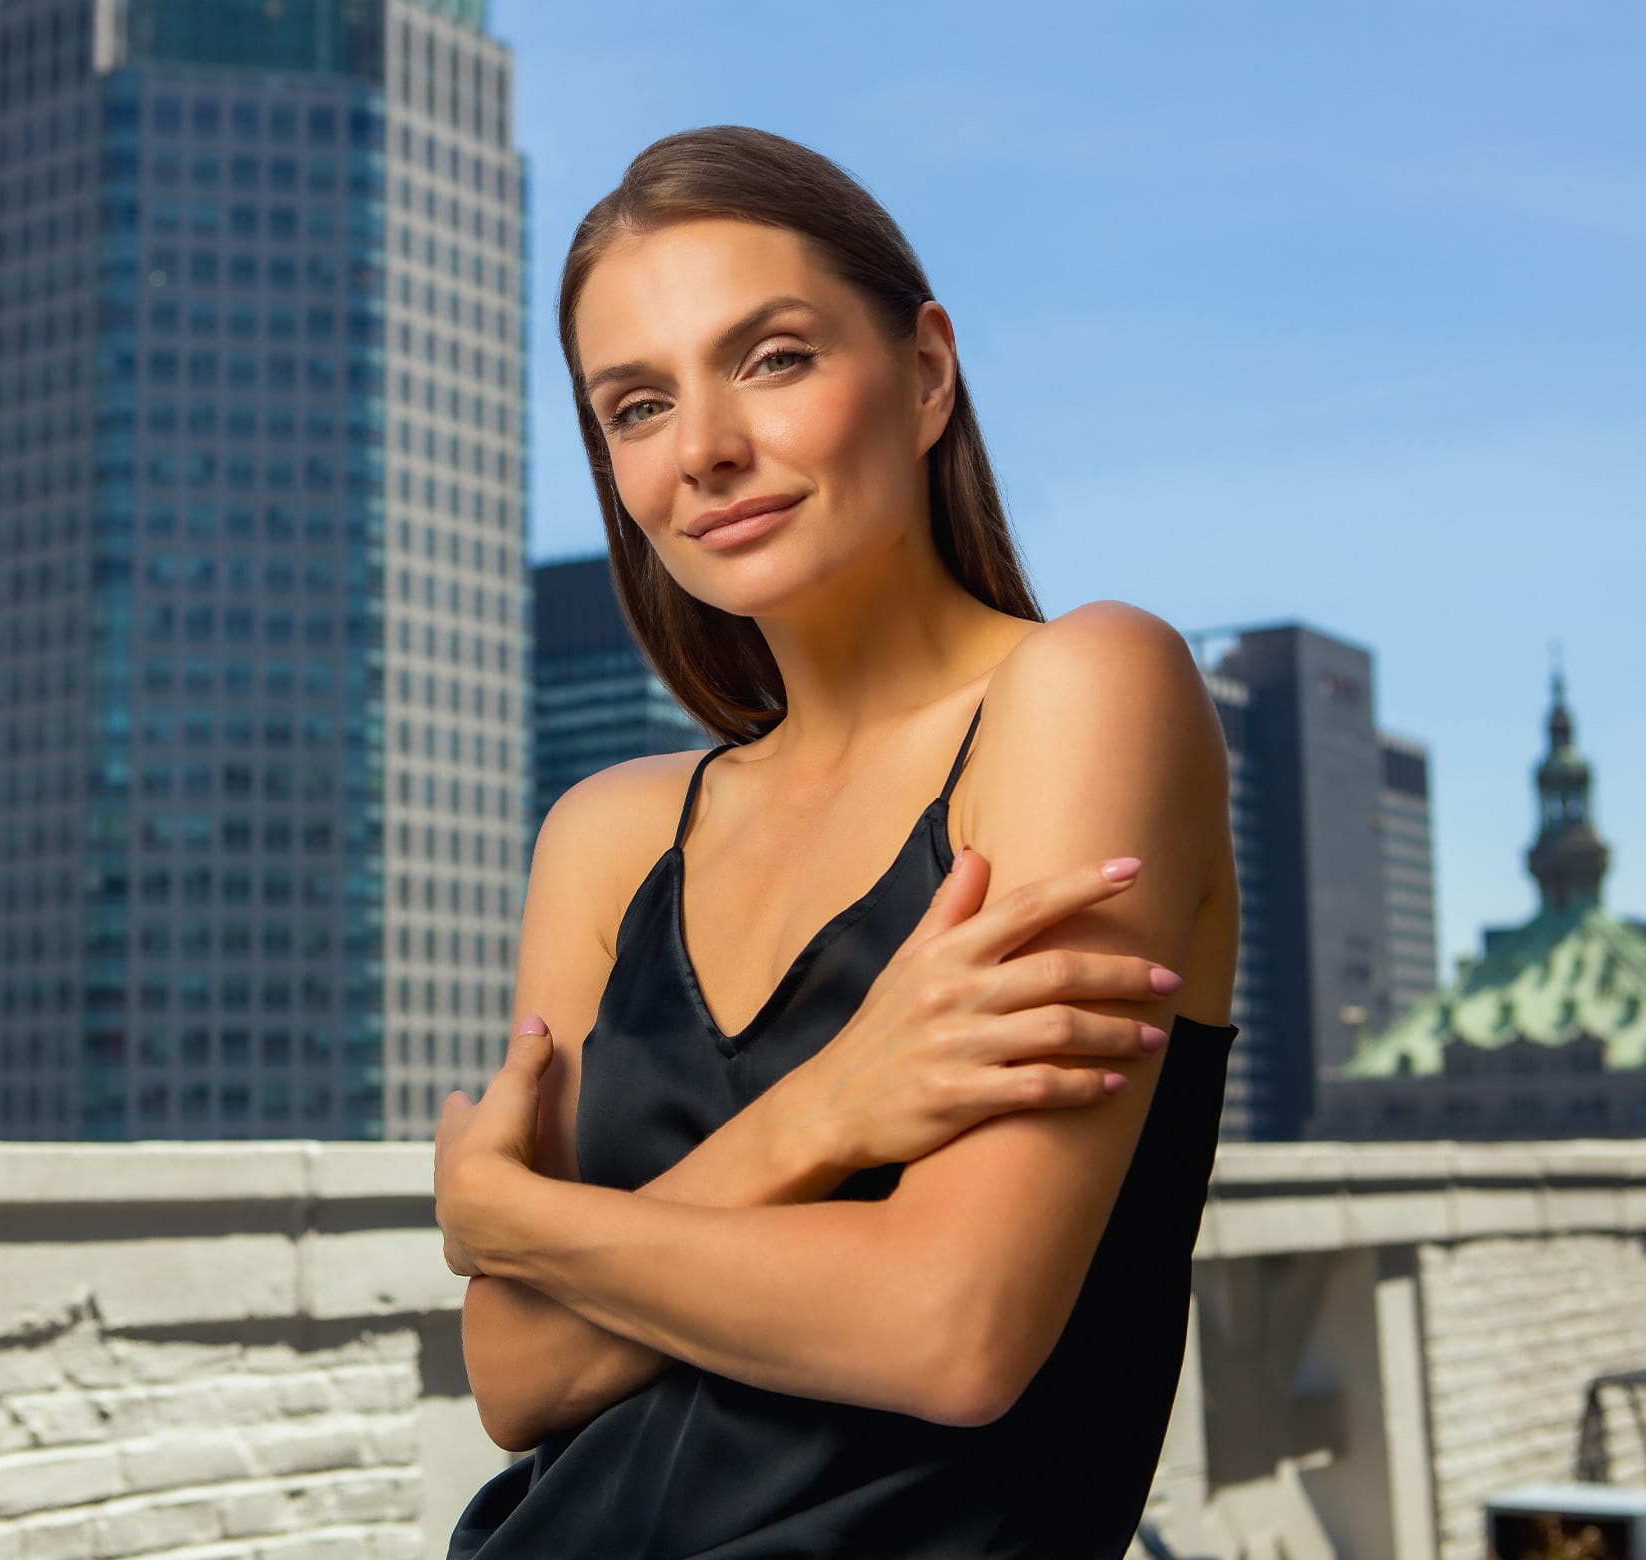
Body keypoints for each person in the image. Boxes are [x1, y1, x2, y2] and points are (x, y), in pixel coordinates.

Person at [433, 124, 1241, 1559]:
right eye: (634, 406)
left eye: (774, 357)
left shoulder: (1092, 691)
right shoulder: (608, 839)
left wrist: (514, 1219)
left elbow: (953, 1332)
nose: (707, 450)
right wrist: (828, 1113)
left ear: (925, 374)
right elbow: (514, 1379)